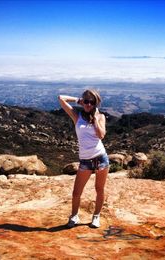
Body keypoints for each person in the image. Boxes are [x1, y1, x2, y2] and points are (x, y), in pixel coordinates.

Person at [58, 89, 110, 228]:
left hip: (100, 158)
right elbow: (61, 98)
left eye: (91, 102)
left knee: (99, 189)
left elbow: (101, 135)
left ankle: (96, 216)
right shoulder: (77, 116)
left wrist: (95, 118)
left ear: (96, 103)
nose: (88, 104)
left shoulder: (101, 117)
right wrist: (77, 100)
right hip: (85, 161)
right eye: (86, 101)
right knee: (76, 192)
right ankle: (74, 216)